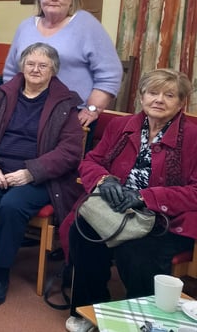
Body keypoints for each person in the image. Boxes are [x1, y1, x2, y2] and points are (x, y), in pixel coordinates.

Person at [64, 69, 197, 332]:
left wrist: (145, 197)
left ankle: (140, 322)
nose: (159, 99)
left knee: (135, 252)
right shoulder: (122, 126)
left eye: (169, 95)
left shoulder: (193, 137)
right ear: (141, 97)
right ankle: (91, 307)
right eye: (152, 92)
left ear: (181, 102)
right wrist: (106, 180)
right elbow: (91, 161)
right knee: (83, 231)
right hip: (117, 209)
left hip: (167, 217)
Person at [0, 42, 84, 307]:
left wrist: (31, 172)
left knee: (12, 207)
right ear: (22, 66)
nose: (35, 69)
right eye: (30, 64)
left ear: (53, 70)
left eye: (43, 65)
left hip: (37, 176)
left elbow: (70, 150)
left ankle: (1, 274)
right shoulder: (4, 94)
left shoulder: (65, 103)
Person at [3, 0, 122, 132]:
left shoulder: (86, 24)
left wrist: (93, 108)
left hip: (72, 112)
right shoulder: (26, 26)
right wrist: (11, 102)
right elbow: (11, 70)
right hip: (27, 109)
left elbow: (110, 72)